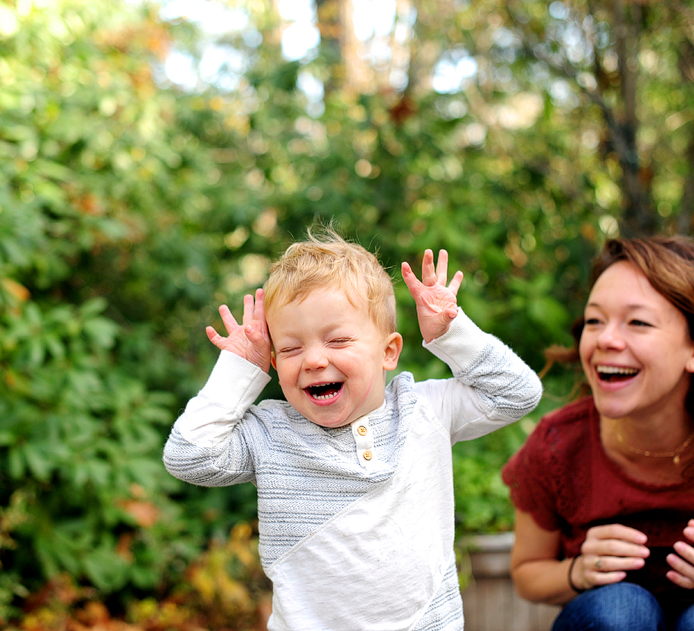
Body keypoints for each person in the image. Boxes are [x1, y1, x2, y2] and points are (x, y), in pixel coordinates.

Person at [163, 228, 542, 631]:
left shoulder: (426, 410)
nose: (312, 360)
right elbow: (188, 456)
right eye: (290, 348)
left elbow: (517, 393)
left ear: (389, 351)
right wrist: (241, 367)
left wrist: (452, 333)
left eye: (337, 340)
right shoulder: (271, 435)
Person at [501, 235, 694, 631]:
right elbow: (527, 572)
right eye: (594, 320)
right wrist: (578, 572)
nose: (606, 339)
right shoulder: (558, 444)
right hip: (608, 618)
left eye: (638, 322)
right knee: (619, 611)